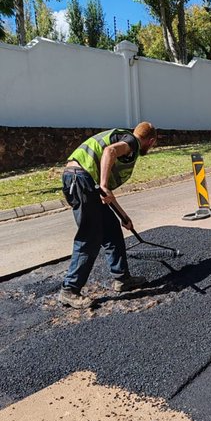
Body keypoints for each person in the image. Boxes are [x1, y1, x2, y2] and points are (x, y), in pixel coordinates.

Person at [59, 122, 157, 309]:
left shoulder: (125, 138)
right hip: (81, 179)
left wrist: (123, 216)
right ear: (150, 141)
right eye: (152, 144)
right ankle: (69, 289)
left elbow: (106, 195)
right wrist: (104, 184)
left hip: (83, 180)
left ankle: (122, 279)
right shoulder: (132, 142)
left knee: (111, 229)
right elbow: (109, 152)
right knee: (90, 236)